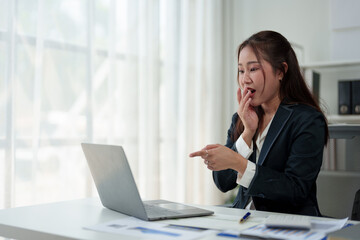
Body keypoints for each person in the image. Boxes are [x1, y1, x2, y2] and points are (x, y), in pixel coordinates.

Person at [189, 30, 328, 216]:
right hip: (243, 223)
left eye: (253, 69)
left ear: (281, 71)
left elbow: (296, 190)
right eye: (241, 70)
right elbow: (223, 182)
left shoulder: (308, 120)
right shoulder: (241, 117)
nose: (245, 79)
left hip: (288, 226)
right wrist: (247, 133)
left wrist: (239, 163)